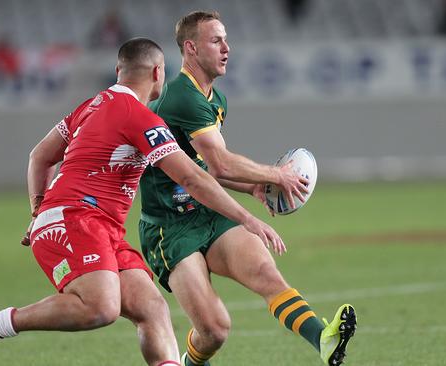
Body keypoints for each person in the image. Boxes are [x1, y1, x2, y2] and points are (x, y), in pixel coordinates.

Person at [0, 37, 287, 366]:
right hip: (77, 217)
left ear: (118, 70)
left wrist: (39, 210)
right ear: (158, 73)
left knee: (150, 307)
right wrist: (247, 218)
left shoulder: (91, 106)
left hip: (100, 227)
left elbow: (39, 156)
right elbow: (191, 178)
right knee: (102, 307)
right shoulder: (139, 117)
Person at [138, 11, 357, 366]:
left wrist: (252, 186)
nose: (227, 48)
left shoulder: (215, 100)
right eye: (216, 41)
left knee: (266, 272)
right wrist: (275, 175)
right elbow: (221, 162)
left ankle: (324, 339)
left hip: (208, 210)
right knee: (214, 330)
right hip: (169, 228)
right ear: (191, 48)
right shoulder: (181, 97)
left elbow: (206, 169)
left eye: (226, 39)